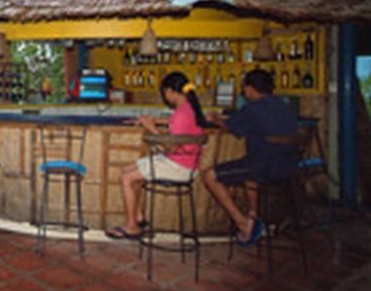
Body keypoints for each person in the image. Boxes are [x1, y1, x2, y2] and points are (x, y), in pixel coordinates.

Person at [105, 72, 206, 239]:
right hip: (185, 163)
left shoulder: (181, 113)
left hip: (179, 167)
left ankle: (131, 227)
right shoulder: (188, 108)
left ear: (170, 91)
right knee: (128, 170)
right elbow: (175, 123)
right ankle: (138, 218)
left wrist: (151, 128)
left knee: (127, 178)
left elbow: (171, 147)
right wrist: (152, 121)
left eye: (164, 93)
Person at [203, 69, 298, 246]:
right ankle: (253, 217)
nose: (243, 91)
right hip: (289, 169)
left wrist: (215, 119)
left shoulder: (253, 108)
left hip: (265, 167)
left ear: (251, 89)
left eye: (244, 87)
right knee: (248, 168)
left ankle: (242, 224)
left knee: (209, 175)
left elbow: (232, 127)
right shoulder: (284, 107)